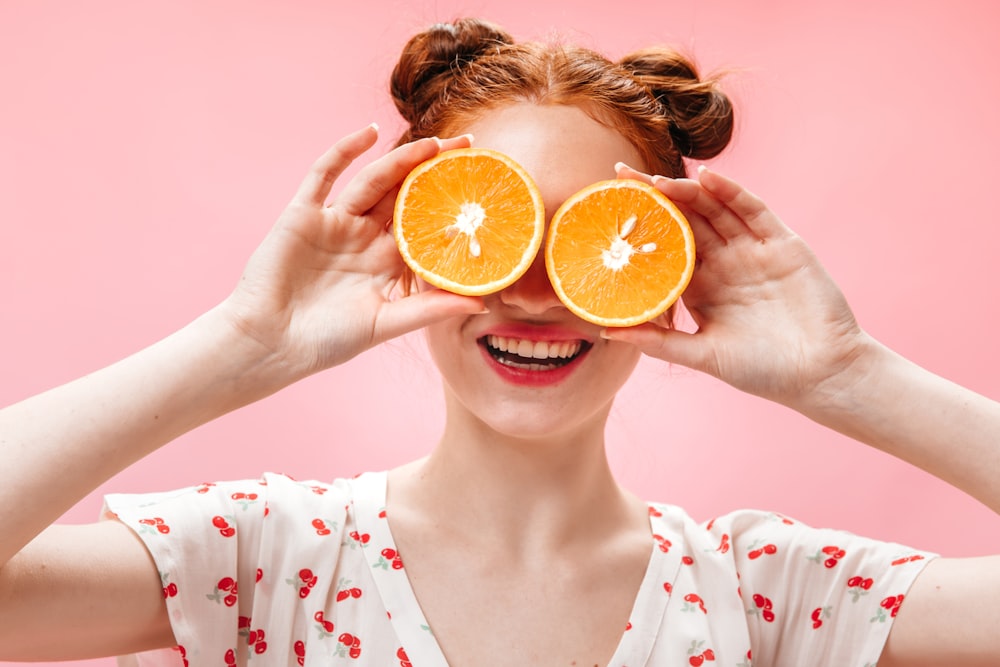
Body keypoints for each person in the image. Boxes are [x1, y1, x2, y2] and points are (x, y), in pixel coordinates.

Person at [1, 16, 998, 667]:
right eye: (489, 232)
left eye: (587, 240)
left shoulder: (767, 596)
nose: (533, 294)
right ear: (415, 246)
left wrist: (848, 375)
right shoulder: (263, 557)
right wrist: (242, 341)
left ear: (661, 261)